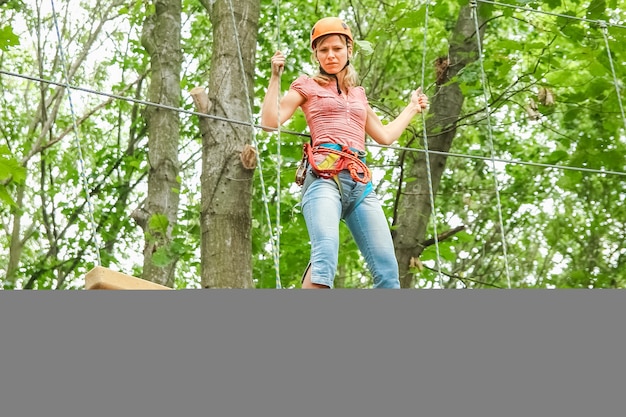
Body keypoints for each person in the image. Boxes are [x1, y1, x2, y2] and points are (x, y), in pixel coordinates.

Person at [261, 17, 429, 288]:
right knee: (325, 255)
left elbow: (384, 136)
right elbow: (270, 122)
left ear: (349, 51)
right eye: (323, 49)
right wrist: (275, 77)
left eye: (337, 48)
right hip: (325, 177)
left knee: (388, 271)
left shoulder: (358, 94)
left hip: (360, 184)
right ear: (315, 54)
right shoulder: (306, 85)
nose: (330, 55)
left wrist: (411, 108)